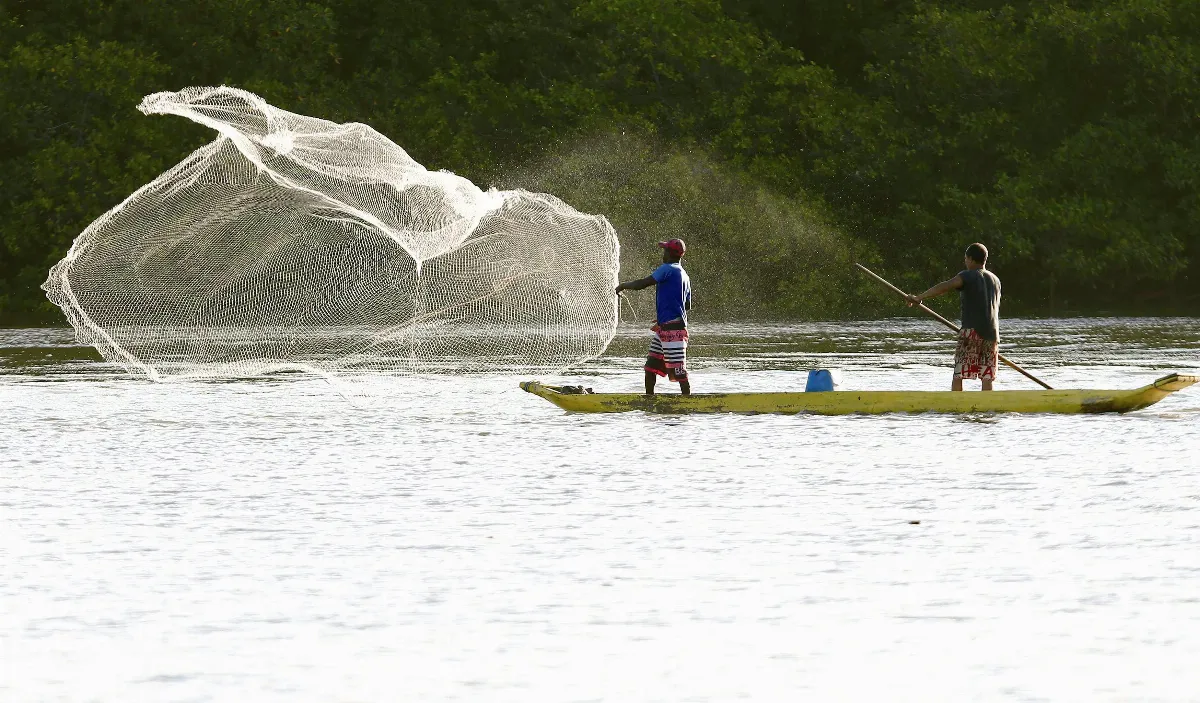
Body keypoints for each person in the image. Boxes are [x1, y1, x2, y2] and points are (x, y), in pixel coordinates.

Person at [905, 242, 1001, 391]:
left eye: (965, 259)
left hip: (972, 333)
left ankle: (956, 407)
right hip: (992, 335)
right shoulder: (996, 280)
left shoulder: (967, 275)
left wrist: (919, 297)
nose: (965, 262)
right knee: (986, 376)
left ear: (970, 259)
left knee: (959, 375)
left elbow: (945, 286)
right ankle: (987, 409)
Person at [615, 238, 692, 395]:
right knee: (650, 367)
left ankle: (688, 402)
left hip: (673, 331)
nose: (663, 253)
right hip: (666, 327)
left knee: (679, 372)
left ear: (670, 253)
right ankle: (649, 400)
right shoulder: (684, 275)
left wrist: (623, 286)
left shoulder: (668, 268)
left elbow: (643, 283)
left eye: (665, 250)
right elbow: (687, 305)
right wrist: (665, 315)